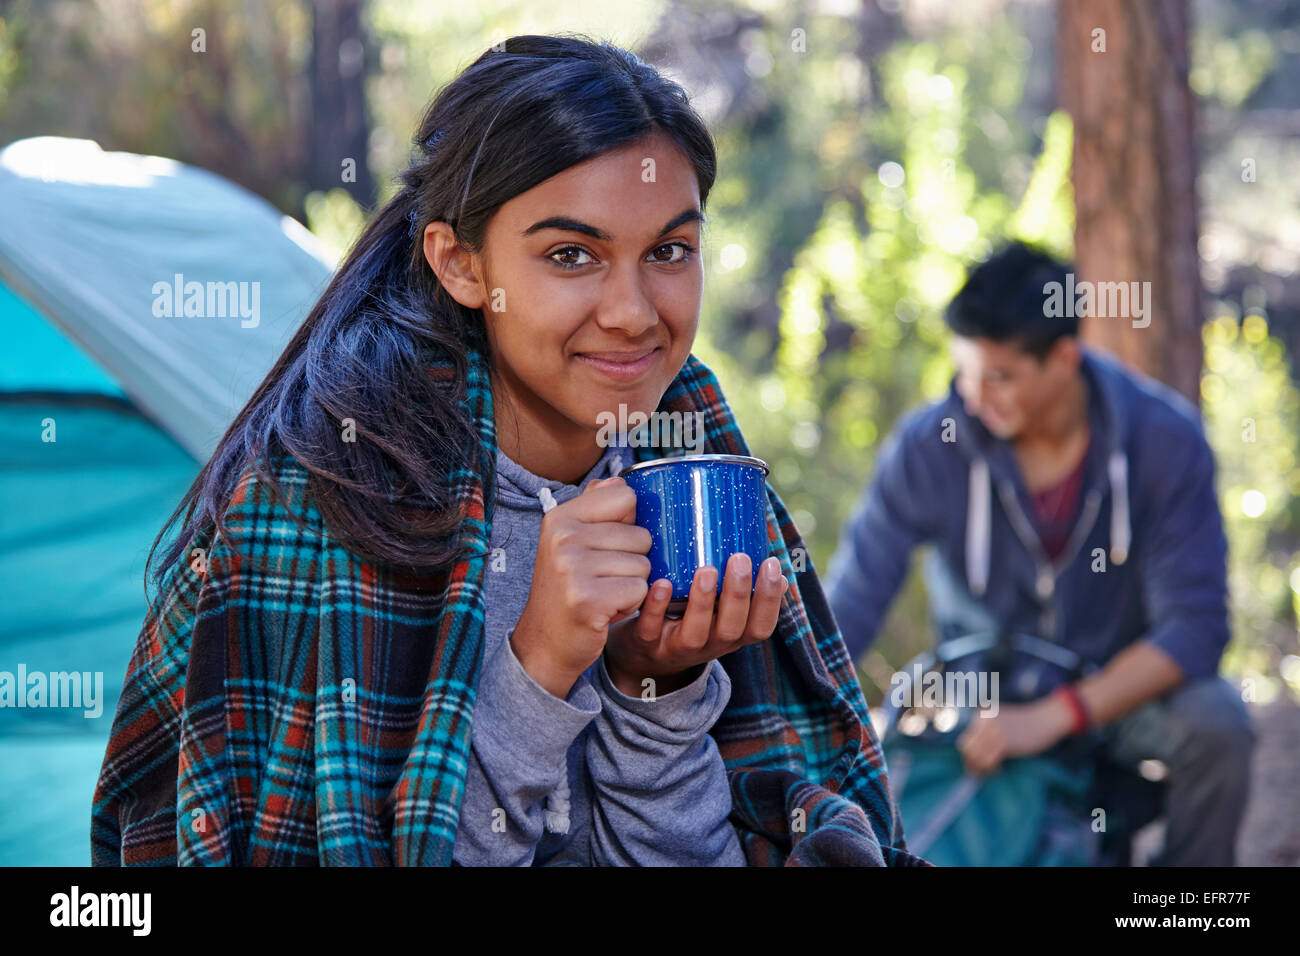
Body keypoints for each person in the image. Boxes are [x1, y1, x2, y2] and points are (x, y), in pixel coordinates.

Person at [90, 34, 927, 867]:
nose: (634, 312)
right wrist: (538, 665)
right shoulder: (328, 500)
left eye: (669, 251)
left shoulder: (691, 451)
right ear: (458, 264)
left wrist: (656, 685)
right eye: (572, 255)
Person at [823, 241, 1256, 866]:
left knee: (1218, 724)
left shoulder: (1164, 440)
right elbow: (851, 605)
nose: (972, 397)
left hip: (1119, 701)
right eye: (964, 373)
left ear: (1063, 358)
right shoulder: (931, 445)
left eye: (998, 377)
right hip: (983, 707)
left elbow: (1195, 629)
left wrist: (1059, 715)